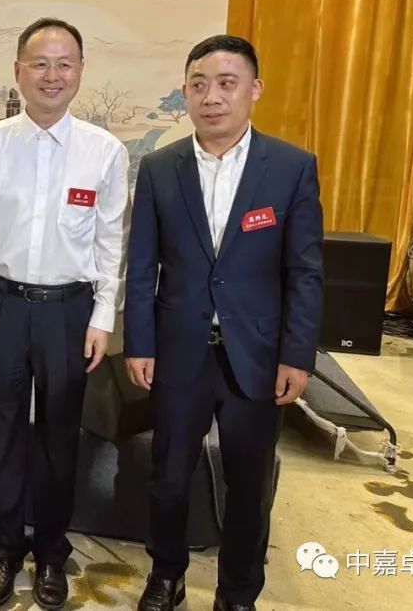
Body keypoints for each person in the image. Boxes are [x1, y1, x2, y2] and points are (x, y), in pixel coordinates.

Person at [124, 35, 323, 611]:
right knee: (169, 474)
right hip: (179, 350)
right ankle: (166, 576)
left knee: (249, 482)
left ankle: (237, 592)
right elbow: (142, 266)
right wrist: (139, 342)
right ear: (185, 92)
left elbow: (305, 271)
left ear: (254, 89)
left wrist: (297, 355)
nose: (211, 97)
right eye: (199, 84)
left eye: (227, 83)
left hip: (256, 356)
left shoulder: (290, 168)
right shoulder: (160, 168)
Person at [0, 17, 129, 610]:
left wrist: (103, 317)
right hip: (4, 305)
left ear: (81, 72)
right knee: (4, 433)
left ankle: (50, 555)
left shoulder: (103, 151)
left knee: (60, 437)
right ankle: (4, 549)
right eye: (39, 63)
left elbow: (111, 242)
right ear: (17, 71)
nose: (52, 75)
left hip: (70, 311)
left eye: (65, 64)